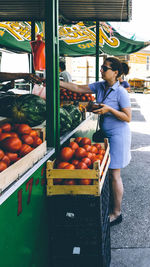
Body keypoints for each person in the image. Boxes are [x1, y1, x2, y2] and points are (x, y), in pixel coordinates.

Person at [60, 57, 132, 227]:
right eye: (101, 67)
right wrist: (59, 83)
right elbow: (78, 88)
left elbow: (127, 117)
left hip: (119, 136)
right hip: (107, 135)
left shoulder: (121, 92)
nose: (101, 70)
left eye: (104, 68)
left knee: (115, 175)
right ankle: (112, 207)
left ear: (115, 73)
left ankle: (116, 213)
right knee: (110, 173)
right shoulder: (100, 85)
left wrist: (109, 109)